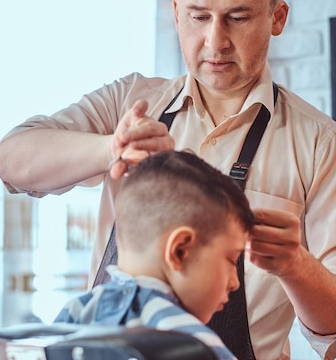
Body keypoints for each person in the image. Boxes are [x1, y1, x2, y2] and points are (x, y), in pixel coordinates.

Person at [0, 0, 336, 359]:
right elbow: (10, 160)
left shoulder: (322, 145)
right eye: (198, 17)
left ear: (277, 18)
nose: (216, 41)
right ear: (176, 14)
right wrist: (111, 148)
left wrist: (294, 265)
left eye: (238, 17)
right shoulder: (129, 102)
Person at [53, 150, 255, 360]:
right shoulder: (194, 345)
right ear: (179, 251)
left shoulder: (76, 314)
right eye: (231, 260)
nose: (235, 283)